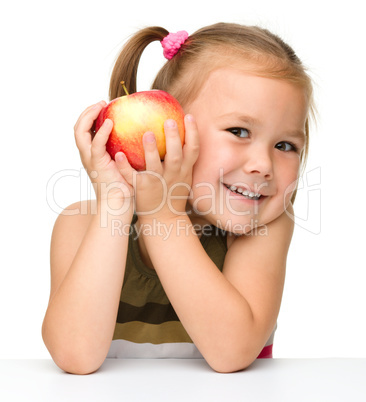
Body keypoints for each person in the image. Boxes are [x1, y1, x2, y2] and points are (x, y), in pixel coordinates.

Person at [42, 23, 315, 375]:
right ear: (167, 129)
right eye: (239, 131)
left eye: (285, 146)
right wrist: (116, 205)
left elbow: (232, 351)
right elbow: (75, 357)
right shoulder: (80, 223)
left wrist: (163, 217)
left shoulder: (261, 226)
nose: (263, 165)